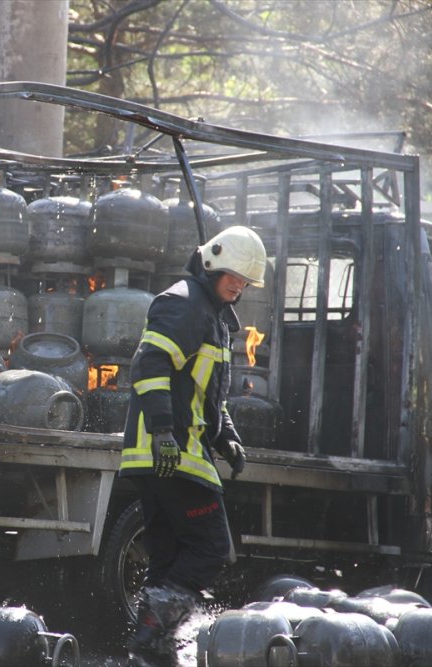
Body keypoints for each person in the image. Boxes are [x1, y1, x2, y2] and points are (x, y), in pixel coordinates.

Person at [119, 225, 267, 666]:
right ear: (211, 264)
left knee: (167, 557)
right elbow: (150, 365)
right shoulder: (185, 303)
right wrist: (164, 431)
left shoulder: (213, 314)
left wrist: (227, 439)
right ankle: (151, 634)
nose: (238, 288)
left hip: (169, 454)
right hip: (171, 453)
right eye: (233, 278)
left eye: (245, 283)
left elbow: (204, 395)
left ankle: (152, 650)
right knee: (210, 548)